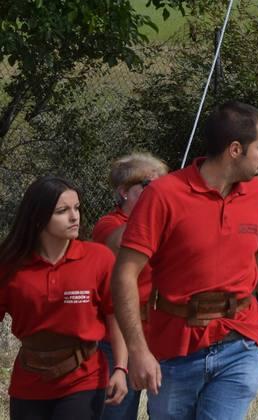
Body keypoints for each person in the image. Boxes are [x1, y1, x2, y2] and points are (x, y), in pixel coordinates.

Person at [114, 102, 258, 420]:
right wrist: (136, 350)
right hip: (175, 351)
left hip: (239, 344)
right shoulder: (163, 195)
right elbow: (124, 274)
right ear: (234, 149)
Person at [1, 176, 127, 420]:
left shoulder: (98, 258)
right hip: (29, 381)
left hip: (84, 380)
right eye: (63, 211)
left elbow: (115, 315)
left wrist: (121, 367)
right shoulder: (9, 265)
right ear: (38, 217)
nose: (74, 216)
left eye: (76, 208)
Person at [91, 153, 167, 420]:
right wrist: (153, 207)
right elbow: (117, 243)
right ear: (123, 192)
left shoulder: (163, 225)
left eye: (162, 185)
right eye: (148, 186)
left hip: (163, 336)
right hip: (118, 341)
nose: (157, 192)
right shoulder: (108, 225)